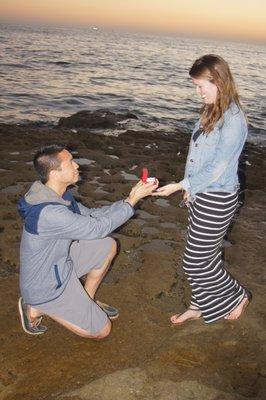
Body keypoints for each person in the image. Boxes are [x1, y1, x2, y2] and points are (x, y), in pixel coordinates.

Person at [18, 144, 158, 338]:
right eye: (71, 163)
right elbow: (96, 228)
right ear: (54, 173)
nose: (77, 166)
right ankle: (37, 309)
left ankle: (87, 300)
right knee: (102, 330)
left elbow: (91, 216)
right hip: (45, 286)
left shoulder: (55, 193)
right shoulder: (49, 212)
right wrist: (133, 201)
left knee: (107, 245)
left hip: (58, 264)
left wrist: (129, 199)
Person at [153, 54, 252, 325]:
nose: (197, 92)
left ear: (218, 81)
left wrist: (181, 185)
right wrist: (190, 187)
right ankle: (198, 305)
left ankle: (238, 295)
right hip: (201, 193)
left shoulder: (234, 119)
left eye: (201, 86)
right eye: (195, 86)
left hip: (218, 197)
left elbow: (219, 166)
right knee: (199, 256)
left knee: (196, 262)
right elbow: (197, 156)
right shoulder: (211, 109)